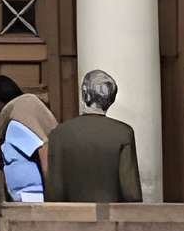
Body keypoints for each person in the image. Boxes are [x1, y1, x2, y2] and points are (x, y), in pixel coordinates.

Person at [41, 68, 143, 204]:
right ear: (111, 99)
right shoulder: (124, 133)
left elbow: (54, 192)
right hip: (112, 220)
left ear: (85, 94)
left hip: (71, 219)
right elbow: (131, 193)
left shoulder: (59, 134)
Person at [0, 71, 56, 203]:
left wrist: (52, 199)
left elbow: (44, 150)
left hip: (32, 205)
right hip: (34, 202)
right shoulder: (26, 110)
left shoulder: (16, 122)